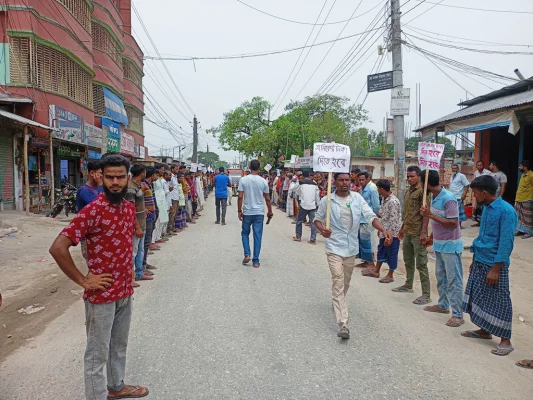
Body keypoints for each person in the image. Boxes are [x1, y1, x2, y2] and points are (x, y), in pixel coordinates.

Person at [49, 154, 149, 400]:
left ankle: (116, 387)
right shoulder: (92, 211)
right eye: (110, 177)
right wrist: (84, 280)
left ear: (127, 178)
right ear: (100, 177)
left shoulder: (127, 206)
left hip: (125, 292)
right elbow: (57, 248)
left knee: (119, 345)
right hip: (101, 296)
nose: (115, 182)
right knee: (96, 354)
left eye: (120, 177)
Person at [314, 173, 392, 339]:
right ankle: (343, 323)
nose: (344, 183)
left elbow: (370, 217)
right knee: (337, 279)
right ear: (334, 182)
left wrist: (383, 230)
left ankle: (338, 301)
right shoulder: (327, 200)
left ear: (351, 182)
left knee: (345, 282)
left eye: (347, 180)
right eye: (341, 180)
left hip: (351, 249)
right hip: (334, 246)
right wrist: (323, 231)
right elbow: (317, 219)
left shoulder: (357, 198)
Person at [462, 175, 517, 356]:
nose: (474, 197)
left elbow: (506, 243)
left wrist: (496, 269)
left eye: (475, 193)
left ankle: (505, 341)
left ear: (484, 192)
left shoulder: (506, 211)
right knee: (481, 297)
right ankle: (485, 331)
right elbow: (482, 236)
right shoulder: (486, 209)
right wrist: (474, 258)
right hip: (480, 259)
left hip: (495, 264)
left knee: (500, 300)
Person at [420, 170, 465, 327]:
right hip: (439, 244)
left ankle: (458, 315)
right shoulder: (433, 197)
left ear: (425, 183)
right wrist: (431, 238)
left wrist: (430, 215)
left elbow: (453, 223)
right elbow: (439, 222)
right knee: (441, 277)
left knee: (454, 280)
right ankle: (443, 305)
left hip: (451, 246)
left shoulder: (448, 199)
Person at [393, 166, 432, 305]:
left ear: (419, 177)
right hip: (408, 230)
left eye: (412, 176)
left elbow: (426, 214)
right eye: (408, 176)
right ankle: (408, 285)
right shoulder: (408, 191)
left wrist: (423, 232)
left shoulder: (424, 192)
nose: (409, 179)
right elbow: (408, 212)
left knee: (421, 263)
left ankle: (426, 294)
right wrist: (402, 228)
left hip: (418, 233)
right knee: (408, 260)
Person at [238, 160, 273, 268]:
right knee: (257, 236)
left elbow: (240, 197)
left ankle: (247, 254)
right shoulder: (263, 181)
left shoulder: (243, 180)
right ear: (259, 168)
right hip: (259, 213)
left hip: (247, 212)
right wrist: (270, 211)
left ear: (249, 167)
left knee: (245, 233)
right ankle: (256, 261)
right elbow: (267, 198)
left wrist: (239, 210)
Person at [364, 179, 401, 283]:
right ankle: (376, 270)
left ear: (381, 189)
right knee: (381, 250)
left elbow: (393, 220)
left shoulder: (393, 201)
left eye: (378, 189)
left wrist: (389, 235)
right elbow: (384, 215)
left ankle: (390, 275)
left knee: (392, 253)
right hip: (384, 231)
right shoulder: (384, 199)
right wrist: (381, 230)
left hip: (391, 233)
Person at [125, 165, 150, 286]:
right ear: (142, 173)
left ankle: (139, 272)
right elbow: (131, 209)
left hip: (142, 222)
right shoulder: (130, 188)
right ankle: (130, 278)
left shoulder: (138, 186)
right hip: (136, 225)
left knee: (140, 249)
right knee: (133, 252)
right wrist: (137, 227)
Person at [77, 161, 103, 260]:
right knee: (94, 268)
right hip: (88, 235)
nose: (102, 176)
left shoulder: (100, 189)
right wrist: (101, 184)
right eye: (100, 173)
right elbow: (99, 206)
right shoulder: (84, 191)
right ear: (92, 173)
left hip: (100, 234)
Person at [357, 171, 380, 270]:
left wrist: (371, 217)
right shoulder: (361, 190)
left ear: (367, 179)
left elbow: (376, 206)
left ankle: (370, 262)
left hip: (367, 220)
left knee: (366, 241)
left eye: (363, 179)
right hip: (360, 219)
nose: (361, 181)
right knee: (362, 240)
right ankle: (365, 261)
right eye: (360, 180)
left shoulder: (371, 190)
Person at [293, 170, 320, 244]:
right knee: (313, 223)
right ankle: (313, 240)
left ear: (303, 176)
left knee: (299, 221)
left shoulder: (300, 183)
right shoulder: (315, 184)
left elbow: (294, 190)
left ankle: (298, 236)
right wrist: (318, 204)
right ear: (309, 175)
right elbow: (317, 196)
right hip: (312, 205)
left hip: (303, 205)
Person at [142, 167, 159, 273]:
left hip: (151, 216)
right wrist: (144, 208)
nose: (157, 177)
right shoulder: (143, 185)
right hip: (146, 218)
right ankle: (142, 266)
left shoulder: (149, 185)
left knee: (146, 242)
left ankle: (144, 263)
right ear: (152, 175)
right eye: (156, 175)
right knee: (145, 242)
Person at [515, 160, 533, 239]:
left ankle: (529, 232)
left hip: (527, 198)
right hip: (519, 198)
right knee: (518, 215)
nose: (519, 167)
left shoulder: (531, 175)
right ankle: (519, 230)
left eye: (521, 166)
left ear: (525, 167)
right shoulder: (523, 174)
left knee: (527, 217)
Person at [448, 164, 470, 228]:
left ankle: (459, 226)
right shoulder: (452, 176)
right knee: (453, 212)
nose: (454, 169)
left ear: (458, 169)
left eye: (455, 168)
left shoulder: (461, 176)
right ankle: (454, 224)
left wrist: (464, 194)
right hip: (452, 197)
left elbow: (467, 185)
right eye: (453, 168)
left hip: (458, 197)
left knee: (459, 212)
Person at [472, 160, 491, 226]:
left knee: (485, 207)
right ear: (476, 166)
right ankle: (479, 222)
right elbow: (474, 182)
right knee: (478, 208)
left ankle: (485, 222)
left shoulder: (488, 173)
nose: (479, 166)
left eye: (481, 165)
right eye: (478, 165)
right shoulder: (476, 172)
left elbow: (490, 182)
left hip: (485, 193)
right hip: (478, 193)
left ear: (483, 165)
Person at [167, 164, 181, 235]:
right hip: (172, 197)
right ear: (172, 169)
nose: (177, 170)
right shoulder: (171, 177)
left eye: (178, 169)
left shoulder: (175, 177)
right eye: (176, 169)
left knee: (175, 214)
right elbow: (169, 187)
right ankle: (169, 229)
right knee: (172, 214)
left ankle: (172, 227)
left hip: (176, 197)